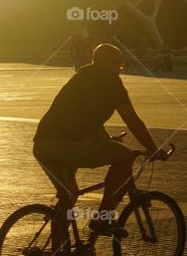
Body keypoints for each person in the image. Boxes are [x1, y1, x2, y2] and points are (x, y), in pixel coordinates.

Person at [33, 43, 169, 252]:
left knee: (68, 196)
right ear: (110, 63)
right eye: (119, 65)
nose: (119, 69)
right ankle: (103, 218)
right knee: (125, 157)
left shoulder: (80, 78)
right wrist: (152, 149)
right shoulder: (111, 82)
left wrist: (105, 137)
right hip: (72, 145)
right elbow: (132, 120)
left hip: (44, 145)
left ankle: (58, 250)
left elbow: (82, 114)